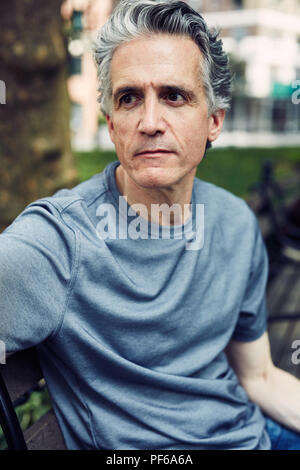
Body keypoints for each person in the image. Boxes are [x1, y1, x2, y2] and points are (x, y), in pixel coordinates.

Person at [1, 0, 300, 450]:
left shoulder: (235, 223)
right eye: (129, 98)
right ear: (111, 124)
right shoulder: (59, 243)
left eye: (174, 96)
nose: (150, 122)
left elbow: (258, 377)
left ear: (214, 120)